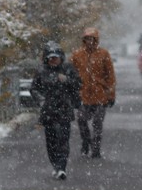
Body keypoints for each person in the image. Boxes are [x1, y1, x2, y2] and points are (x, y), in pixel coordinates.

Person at [30, 41, 81, 180]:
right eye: (51, 58)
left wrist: (67, 80)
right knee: (51, 140)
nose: (53, 60)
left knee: (63, 139)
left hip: (64, 109)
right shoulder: (41, 71)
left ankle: (61, 167)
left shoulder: (68, 68)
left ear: (61, 57)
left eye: (56, 58)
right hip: (48, 111)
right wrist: (41, 100)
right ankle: (55, 164)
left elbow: (78, 84)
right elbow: (34, 88)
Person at [70, 27, 116, 158]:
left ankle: (96, 149)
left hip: (100, 95)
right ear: (84, 40)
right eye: (87, 39)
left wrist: (111, 95)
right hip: (83, 96)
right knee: (81, 120)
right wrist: (72, 92)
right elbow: (70, 72)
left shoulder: (103, 54)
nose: (90, 41)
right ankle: (85, 141)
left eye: (92, 39)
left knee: (97, 123)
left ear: (96, 40)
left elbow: (110, 76)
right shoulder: (77, 55)